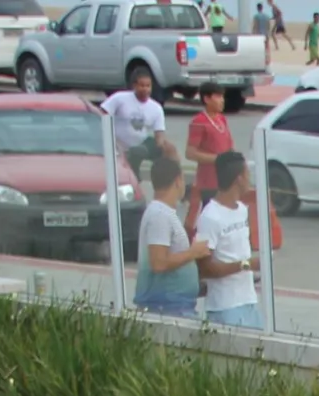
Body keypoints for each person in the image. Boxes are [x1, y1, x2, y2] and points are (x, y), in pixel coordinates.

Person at [194, 150, 262, 329]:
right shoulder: (210, 217)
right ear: (239, 178)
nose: (249, 178)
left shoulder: (242, 210)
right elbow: (205, 268)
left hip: (249, 301)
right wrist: (247, 265)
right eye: (247, 173)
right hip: (224, 307)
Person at [134, 155, 206, 316]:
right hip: (166, 307)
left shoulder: (165, 214)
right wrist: (193, 252)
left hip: (177, 304)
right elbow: (158, 263)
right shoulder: (159, 215)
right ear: (178, 181)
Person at [100, 65, 175, 191]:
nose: (145, 89)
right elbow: (102, 114)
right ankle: (134, 180)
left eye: (148, 86)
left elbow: (159, 135)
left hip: (142, 143)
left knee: (166, 150)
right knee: (135, 152)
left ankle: (168, 184)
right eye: (142, 85)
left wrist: (163, 148)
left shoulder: (156, 108)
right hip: (118, 143)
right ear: (134, 86)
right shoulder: (120, 98)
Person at [183, 87, 232, 224]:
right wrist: (217, 159)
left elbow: (229, 147)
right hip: (208, 182)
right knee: (210, 219)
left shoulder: (222, 119)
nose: (222, 100)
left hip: (225, 181)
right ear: (206, 99)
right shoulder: (199, 122)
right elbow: (190, 153)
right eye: (218, 97)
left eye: (222, 97)